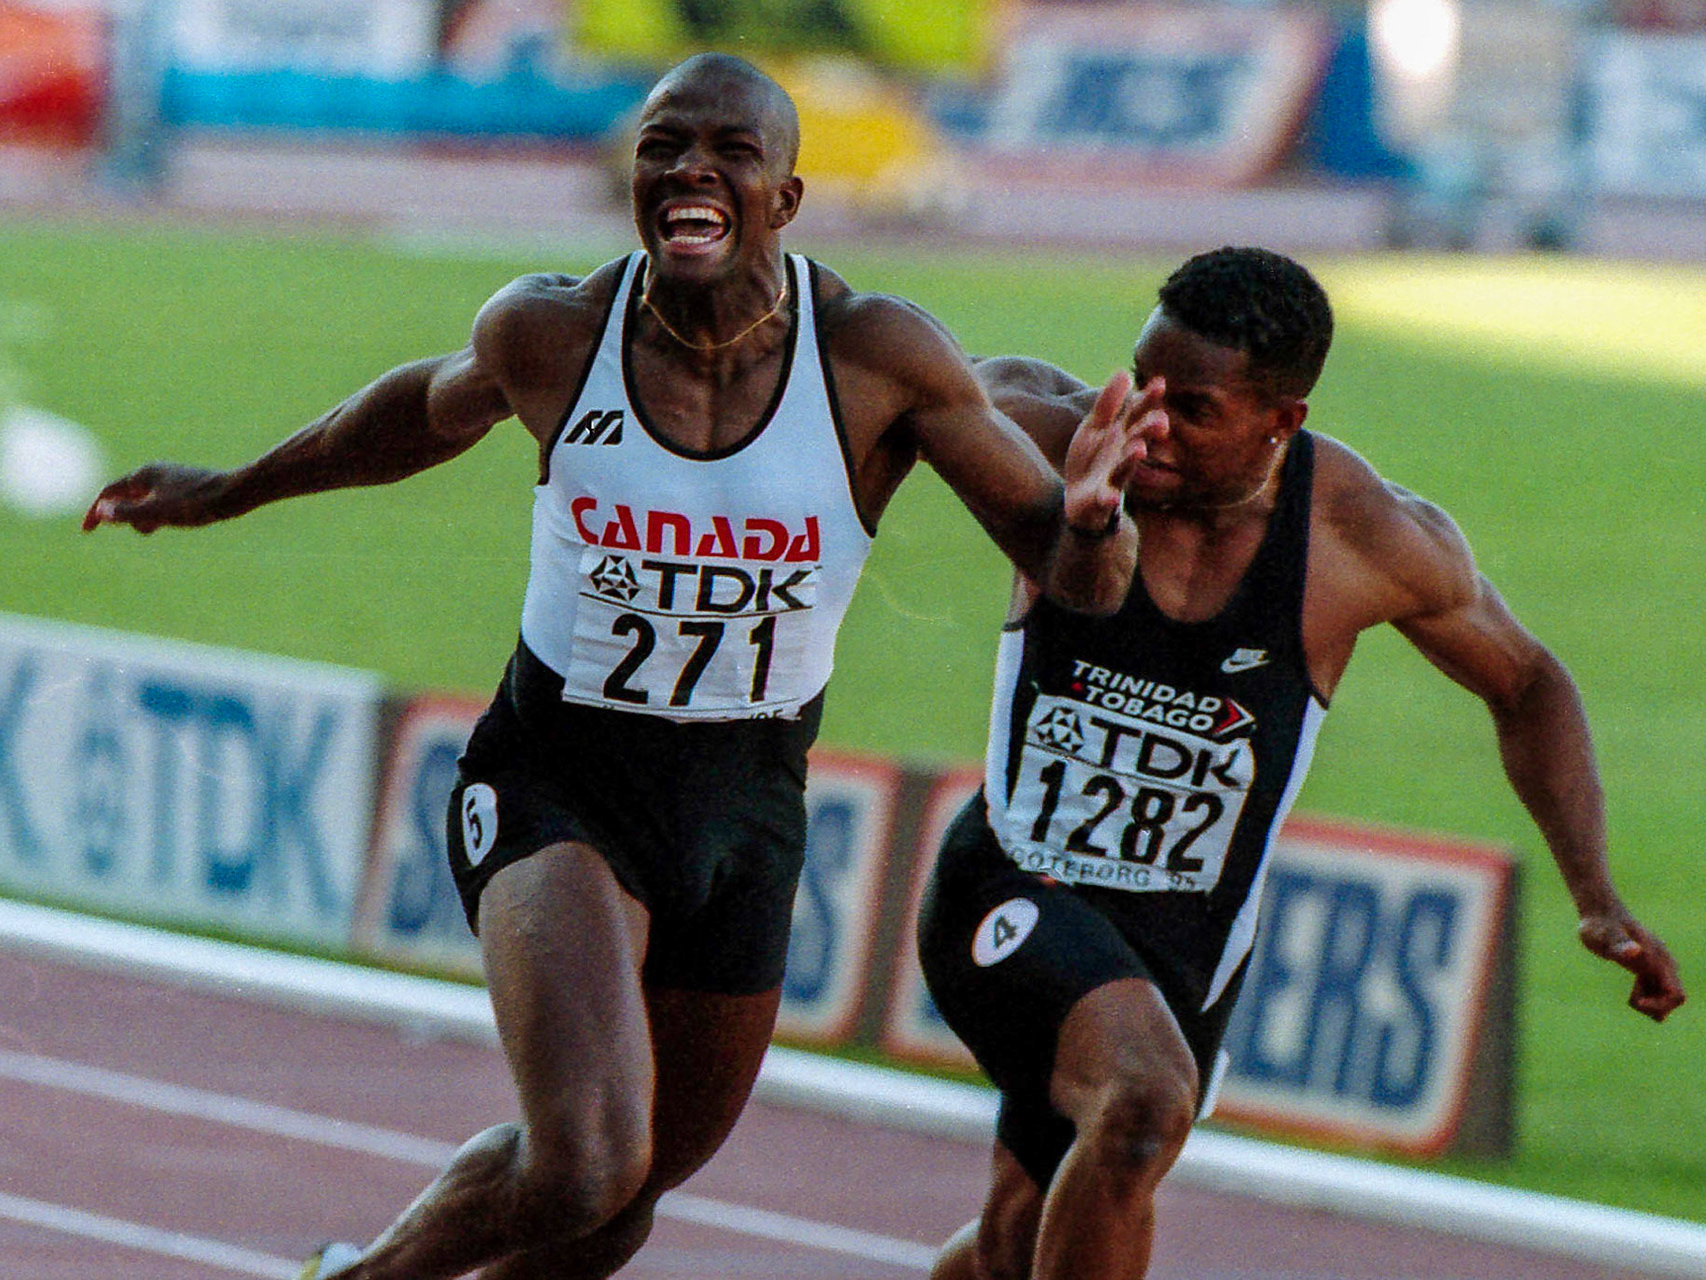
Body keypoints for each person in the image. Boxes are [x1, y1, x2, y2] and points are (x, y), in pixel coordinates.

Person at [82, 53, 1151, 1280]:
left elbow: (1084, 582)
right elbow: (407, 416)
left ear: (785, 199)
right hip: (558, 776)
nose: (689, 168)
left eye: (727, 152)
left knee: (618, 1205)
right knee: (585, 1153)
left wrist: (1088, 519)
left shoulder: (874, 357)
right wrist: (229, 490)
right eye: (661, 146)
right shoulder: (552, 330)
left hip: (748, 804)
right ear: (630, 177)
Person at [917, 246, 1686, 1280]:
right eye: (1139, 380)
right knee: (1142, 1104)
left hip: (1187, 940)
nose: (1145, 425)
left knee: (1019, 1244)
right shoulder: (1050, 430)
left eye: (1190, 408)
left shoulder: (1360, 536)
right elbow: (886, 391)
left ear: (1280, 420)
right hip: (1012, 876)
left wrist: (1594, 892)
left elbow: (1526, 682)